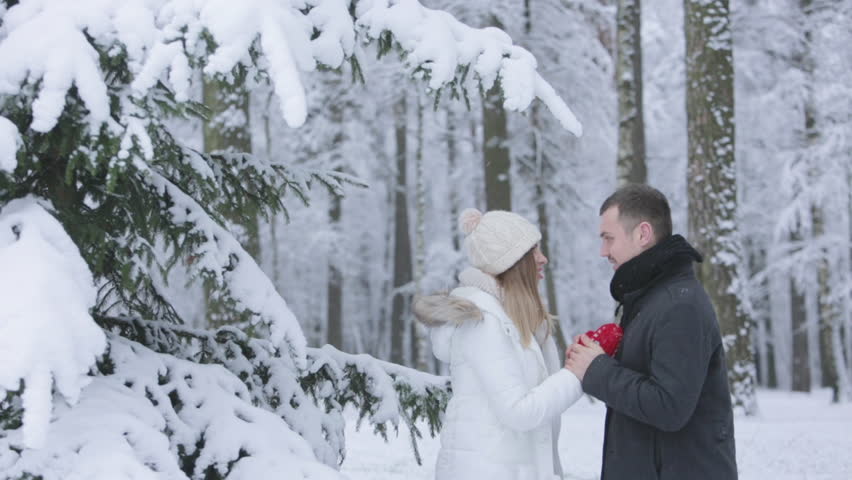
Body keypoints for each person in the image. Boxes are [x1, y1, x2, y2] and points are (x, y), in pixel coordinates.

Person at [566, 184, 738, 480]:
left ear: (643, 234)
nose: (602, 251)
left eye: (609, 239)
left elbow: (669, 406)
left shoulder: (679, 306)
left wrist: (597, 370)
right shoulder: (649, 299)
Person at [414, 208, 583, 480]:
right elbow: (519, 411)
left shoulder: (520, 319)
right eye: (534, 251)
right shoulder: (485, 322)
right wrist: (576, 374)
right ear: (514, 262)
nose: (543, 259)